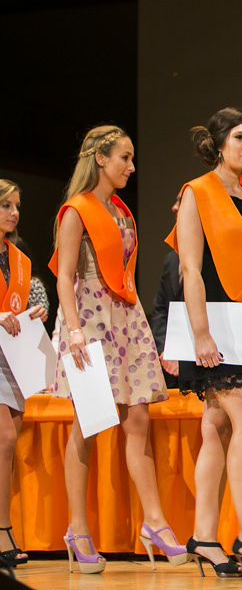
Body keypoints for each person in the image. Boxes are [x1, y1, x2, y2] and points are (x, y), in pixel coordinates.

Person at [49, 125, 186, 574]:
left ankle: (155, 522)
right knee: (88, 426)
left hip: (124, 316)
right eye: (124, 158)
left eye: (131, 158)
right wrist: (72, 330)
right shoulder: (76, 211)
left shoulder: (122, 211)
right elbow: (64, 275)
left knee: (138, 418)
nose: (131, 166)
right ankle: (77, 527)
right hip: (87, 319)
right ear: (101, 159)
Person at [167, 108, 242, 578]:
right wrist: (201, 333)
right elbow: (190, 269)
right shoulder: (197, 192)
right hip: (214, 323)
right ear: (218, 143)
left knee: (217, 426)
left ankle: (204, 537)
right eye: (240, 137)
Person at [0, 180, 49, 568]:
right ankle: (2, 531)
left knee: (9, 444)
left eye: (16, 206)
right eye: (5, 205)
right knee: (4, 440)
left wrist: (35, 315)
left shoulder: (20, 259)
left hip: (13, 358)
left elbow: (22, 305)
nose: (13, 212)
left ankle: (3, 528)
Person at [150, 195, 183, 389]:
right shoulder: (172, 259)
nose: (173, 207)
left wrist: (185, 355)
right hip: (170, 365)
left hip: (205, 363)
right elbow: (161, 310)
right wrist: (167, 350)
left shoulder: (215, 256)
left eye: (179, 201)